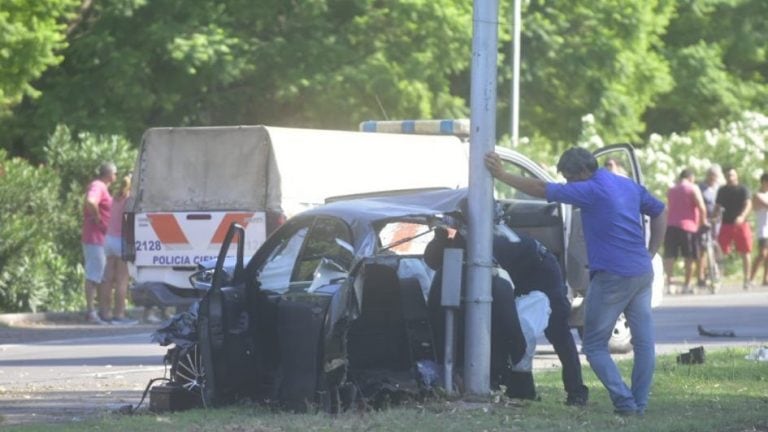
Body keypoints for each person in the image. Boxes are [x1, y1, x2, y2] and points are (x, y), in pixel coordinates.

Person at [485, 147, 667, 416]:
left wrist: (500, 173)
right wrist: (650, 252)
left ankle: (625, 403)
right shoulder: (624, 184)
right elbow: (660, 211)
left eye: (570, 178)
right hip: (641, 272)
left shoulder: (590, 190)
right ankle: (638, 403)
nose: (569, 185)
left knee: (593, 346)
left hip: (612, 276)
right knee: (643, 344)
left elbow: (540, 188)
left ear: (582, 172)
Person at [424, 227, 535, 400]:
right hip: (485, 363)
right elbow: (515, 338)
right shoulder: (495, 279)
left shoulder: (441, 278)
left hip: (449, 359)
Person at [491, 225, 590, 406]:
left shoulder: (487, 240)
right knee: (511, 329)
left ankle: (576, 392)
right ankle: (519, 389)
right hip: (521, 273)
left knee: (558, 330)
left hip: (542, 270)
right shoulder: (479, 237)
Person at [82, 162, 117, 324]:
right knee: (93, 275)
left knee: (101, 275)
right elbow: (91, 201)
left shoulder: (103, 188)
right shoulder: (98, 185)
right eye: (115, 174)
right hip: (95, 238)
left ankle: (102, 312)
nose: (116, 177)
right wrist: (98, 220)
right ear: (109, 174)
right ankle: (91, 312)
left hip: (101, 239)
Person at [663, 169, 707, 294]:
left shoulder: (671, 190)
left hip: (671, 225)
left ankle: (670, 284)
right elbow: (701, 207)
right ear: (691, 177)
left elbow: (669, 207)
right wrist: (703, 223)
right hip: (688, 226)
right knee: (689, 256)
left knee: (670, 256)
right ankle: (686, 285)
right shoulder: (693, 188)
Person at [102, 172, 137, 325]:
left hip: (108, 239)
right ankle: (119, 315)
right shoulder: (129, 200)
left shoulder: (115, 198)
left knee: (108, 279)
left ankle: (105, 313)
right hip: (121, 241)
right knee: (122, 280)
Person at [715, 167, 753, 290]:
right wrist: (713, 218)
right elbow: (717, 206)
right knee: (720, 253)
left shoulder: (743, 189)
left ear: (736, 176)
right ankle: (718, 278)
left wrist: (742, 216)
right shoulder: (722, 190)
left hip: (741, 224)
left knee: (745, 252)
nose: (729, 178)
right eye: (727, 176)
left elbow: (748, 204)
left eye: (731, 175)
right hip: (726, 224)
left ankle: (747, 279)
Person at [697, 165, 724, 287]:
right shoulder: (701, 187)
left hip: (716, 221)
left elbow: (722, 204)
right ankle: (701, 276)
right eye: (712, 175)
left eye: (716, 176)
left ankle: (714, 271)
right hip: (703, 220)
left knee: (714, 244)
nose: (713, 178)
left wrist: (717, 216)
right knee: (702, 248)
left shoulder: (719, 188)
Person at [749, 173, 768, 286]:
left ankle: (765, 278)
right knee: (762, 254)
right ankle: (750, 278)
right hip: (763, 229)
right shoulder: (757, 195)